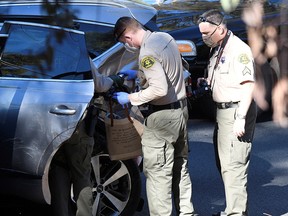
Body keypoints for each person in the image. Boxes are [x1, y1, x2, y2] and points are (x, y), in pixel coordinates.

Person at [112, 16, 196, 216]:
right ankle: (187, 212)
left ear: (128, 36)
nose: (128, 46)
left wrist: (130, 97)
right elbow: (174, 69)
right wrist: (138, 75)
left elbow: (159, 88)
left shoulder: (147, 52)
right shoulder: (164, 37)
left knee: (158, 174)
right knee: (180, 166)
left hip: (162, 116)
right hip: (181, 110)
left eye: (125, 42)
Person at [197, 9, 257, 216]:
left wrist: (240, 119)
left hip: (235, 111)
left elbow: (248, 86)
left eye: (207, 33)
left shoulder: (239, 50)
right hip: (222, 113)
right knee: (225, 165)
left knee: (234, 167)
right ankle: (234, 210)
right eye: (202, 33)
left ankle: (235, 213)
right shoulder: (219, 46)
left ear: (221, 29)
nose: (203, 37)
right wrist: (207, 82)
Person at [49, 58, 123, 216]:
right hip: (77, 122)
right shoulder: (75, 50)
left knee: (58, 169)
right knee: (81, 174)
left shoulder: (41, 48)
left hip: (51, 121)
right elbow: (99, 84)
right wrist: (117, 79)